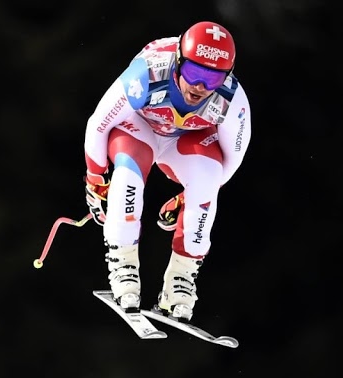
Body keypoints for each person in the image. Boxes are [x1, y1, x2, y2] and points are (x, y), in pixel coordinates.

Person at [82, 21, 251, 321]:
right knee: (128, 175)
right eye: (194, 73)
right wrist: (96, 179)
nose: (200, 87)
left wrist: (190, 195)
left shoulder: (231, 101)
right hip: (140, 129)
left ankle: (181, 282)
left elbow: (232, 161)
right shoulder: (148, 73)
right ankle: (123, 265)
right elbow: (99, 123)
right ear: (178, 60)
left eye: (212, 79)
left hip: (184, 141)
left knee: (208, 180)